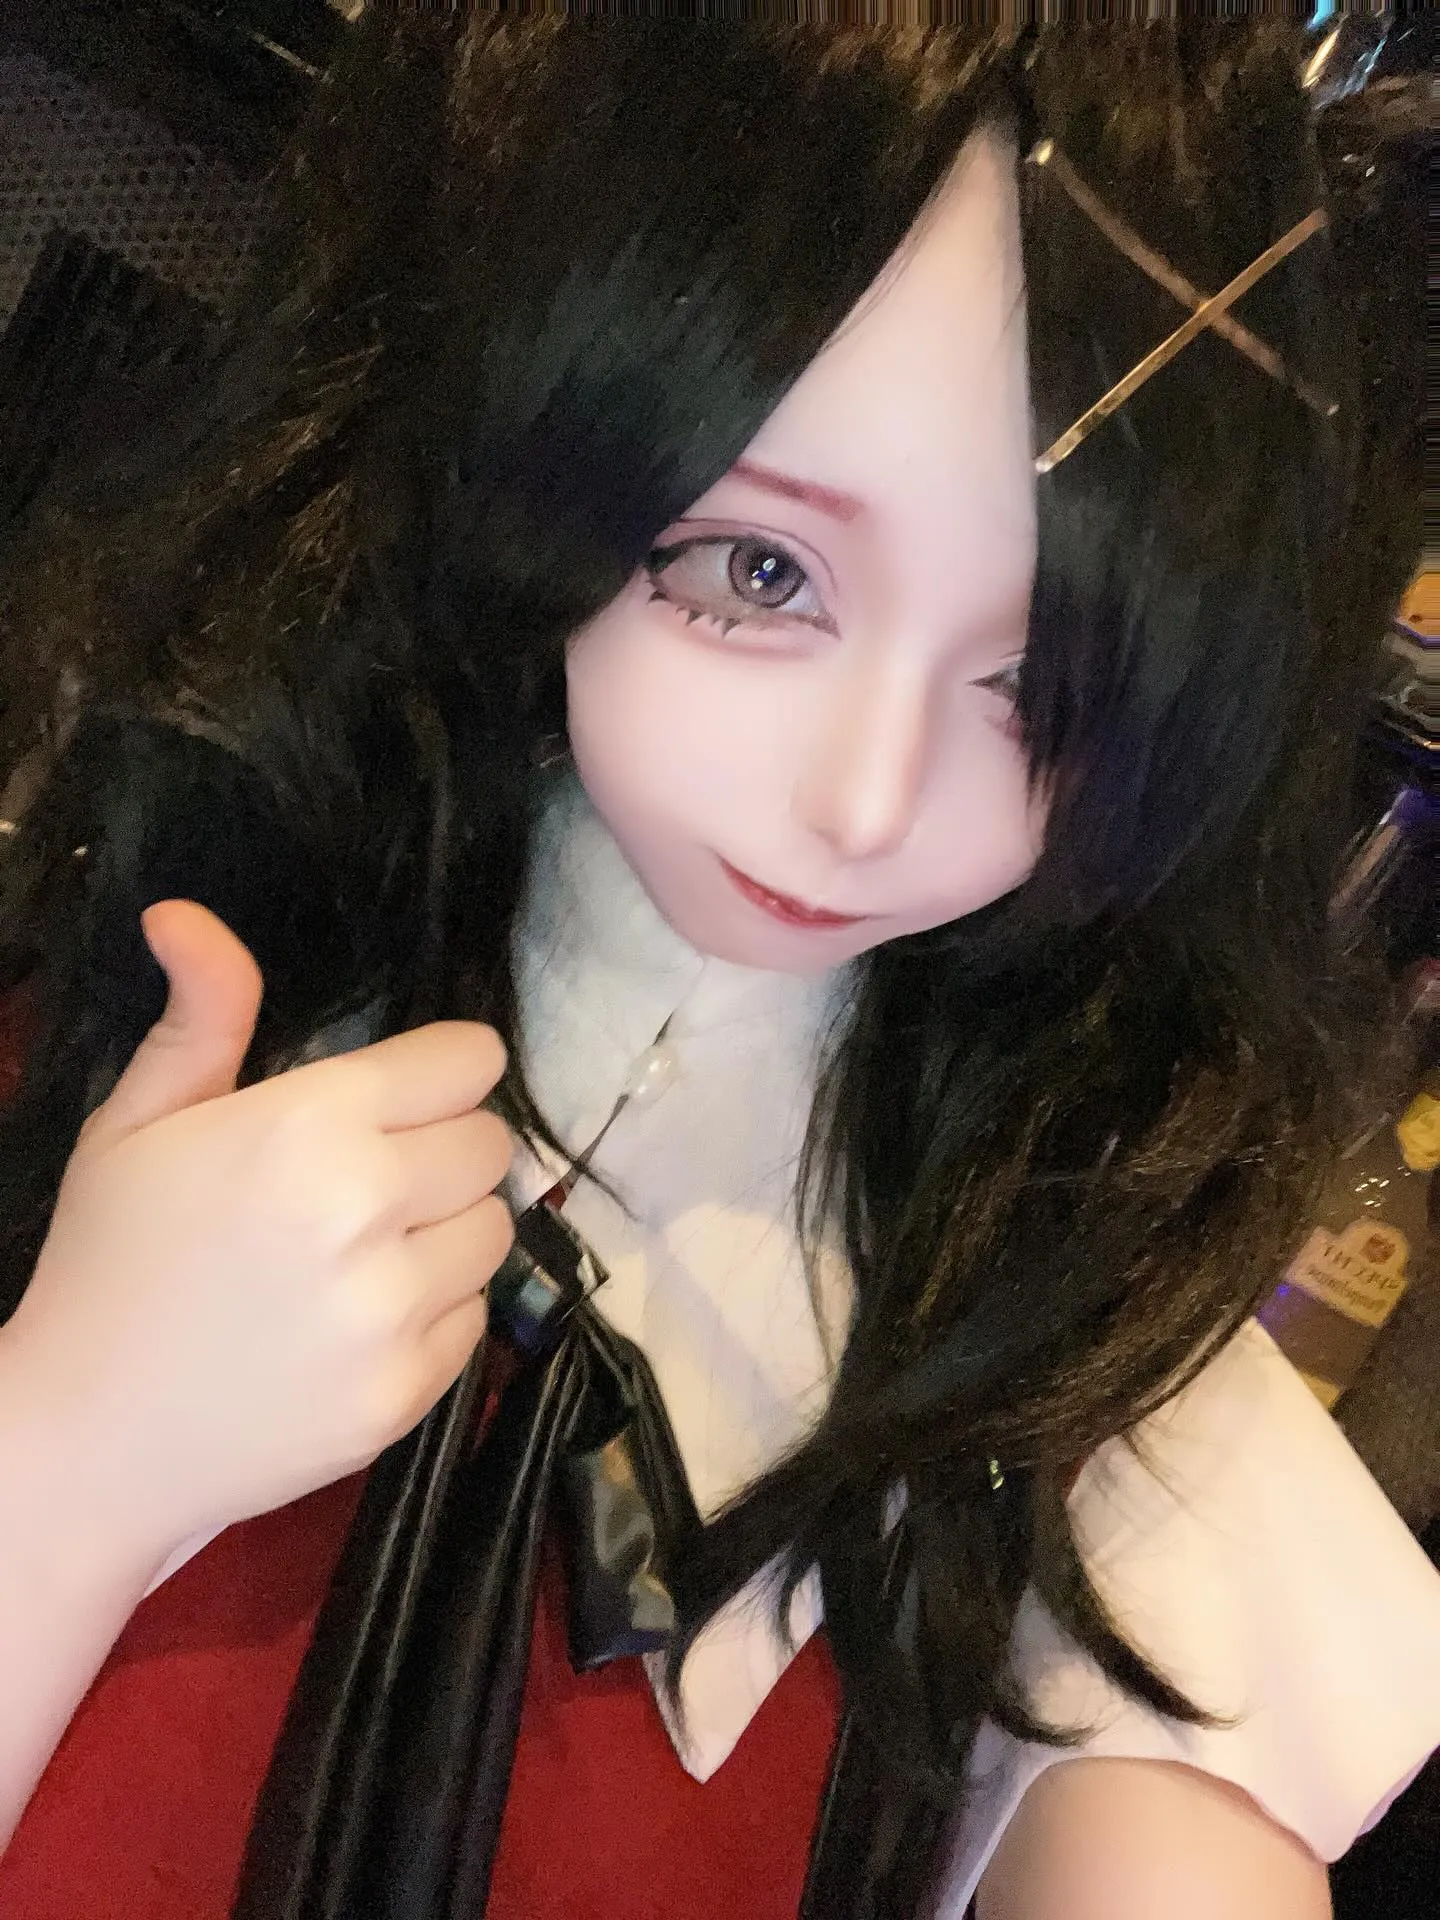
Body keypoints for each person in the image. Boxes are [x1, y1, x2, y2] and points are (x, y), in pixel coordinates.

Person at [0, 16, 1435, 1919]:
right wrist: (67, 1448)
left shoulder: (1053, 1365)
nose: (864, 804)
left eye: (1039, 680)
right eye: (762, 572)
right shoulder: (140, 986)